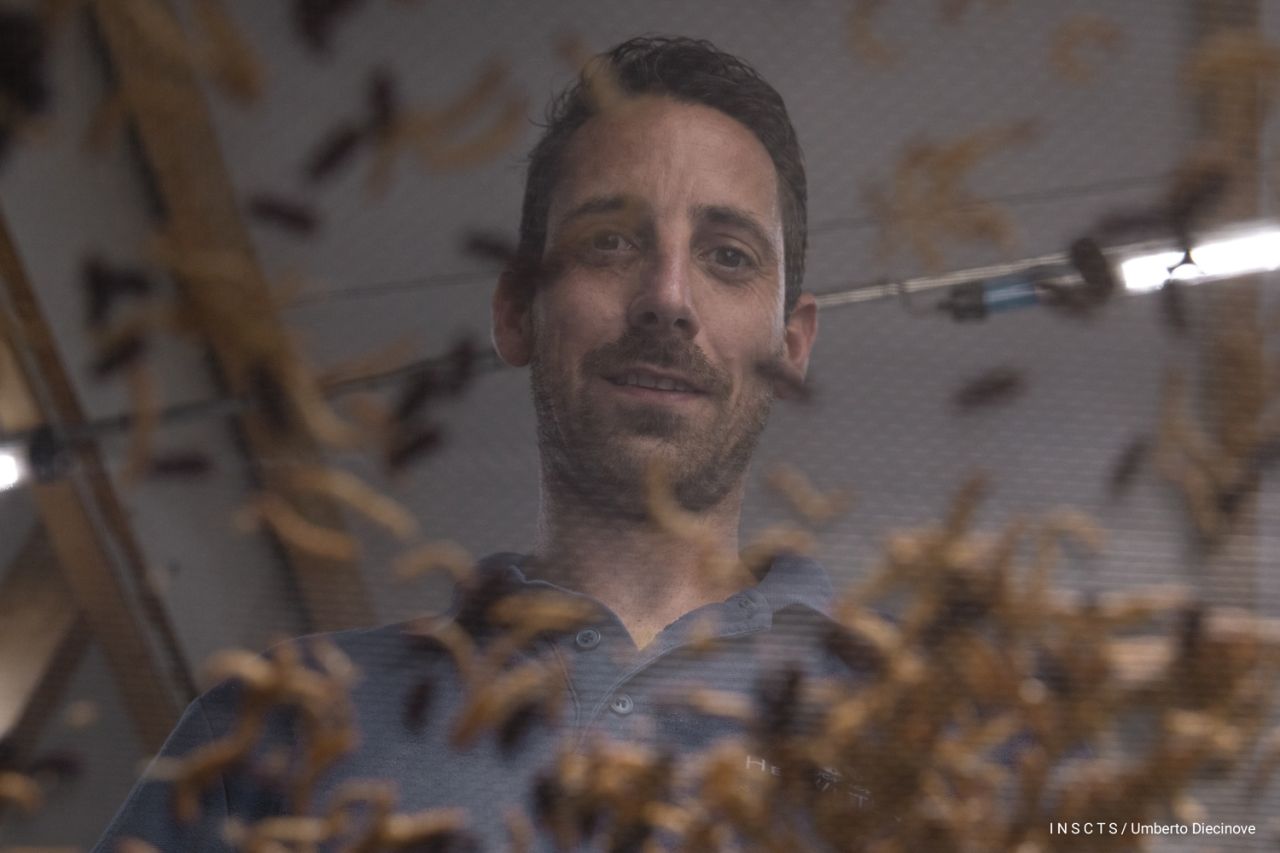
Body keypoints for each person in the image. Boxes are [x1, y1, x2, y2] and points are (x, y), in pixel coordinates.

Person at [92, 35, 862, 852]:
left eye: (729, 256)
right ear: (514, 309)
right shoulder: (275, 725)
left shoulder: (936, 730)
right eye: (609, 241)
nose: (667, 298)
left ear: (792, 346)